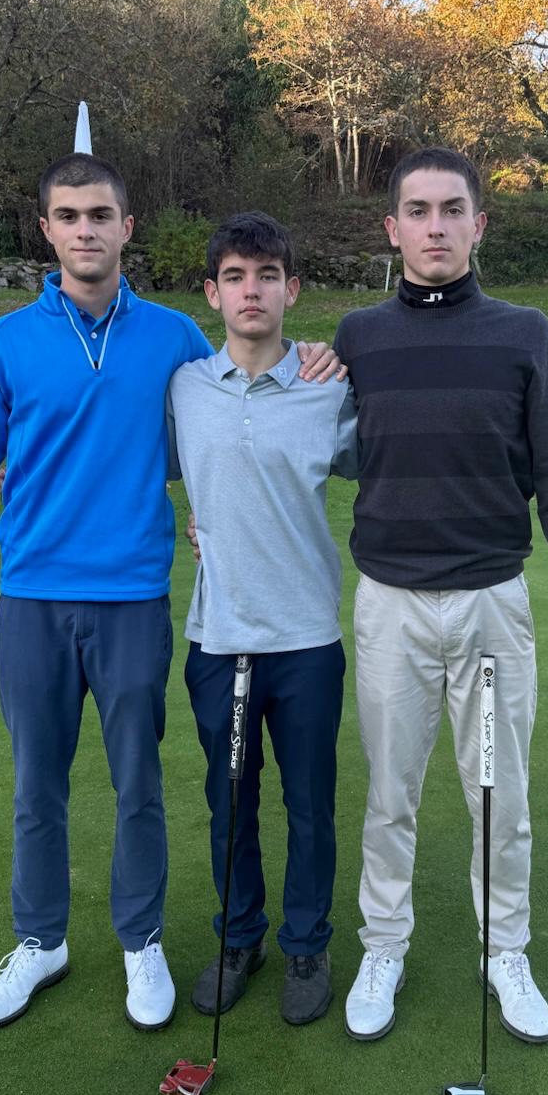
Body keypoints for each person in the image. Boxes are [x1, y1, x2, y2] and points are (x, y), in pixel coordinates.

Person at [0, 154, 338, 1034]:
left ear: (127, 227)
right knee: (36, 787)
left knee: (138, 786)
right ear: (46, 229)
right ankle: (40, 941)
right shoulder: (3, 344)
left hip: (132, 601)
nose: (86, 229)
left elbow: (235, 415)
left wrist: (314, 356)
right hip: (34, 599)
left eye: (101, 215)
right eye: (69, 215)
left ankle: (140, 939)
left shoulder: (175, 340)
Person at [334, 147, 548, 1045]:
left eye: (453, 209)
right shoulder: (357, 339)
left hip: (491, 605)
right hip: (391, 608)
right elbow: (304, 446)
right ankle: (384, 946)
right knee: (391, 796)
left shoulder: (524, 334)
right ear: (393, 229)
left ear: (478, 225)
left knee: (499, 797)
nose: (436, 226)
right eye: (418, 211)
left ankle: (505, 950)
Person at [166, 212, 358, 1027]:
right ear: (212, 293)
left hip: (307, 637)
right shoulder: (184, 388)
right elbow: (133, 465)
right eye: (236, 277)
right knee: (230, 803)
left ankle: (307, 944)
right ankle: (239, 936)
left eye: (268, 276)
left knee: (310, 805)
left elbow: (391, 468)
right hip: (219, 639)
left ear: (292, 290)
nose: (253, 291)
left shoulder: (329, 387)